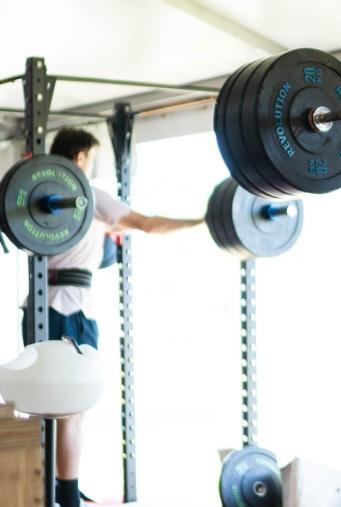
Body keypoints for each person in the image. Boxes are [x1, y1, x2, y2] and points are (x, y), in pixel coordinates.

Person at [19, 127, 203, 507]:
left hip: (40, 308)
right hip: (69, 312)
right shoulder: (88, 196)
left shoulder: (35, 197)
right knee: (70, 412)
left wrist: (107, 227)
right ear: (81, 158)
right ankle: (65, 497)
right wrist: (204, 221)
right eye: (92, 159)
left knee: (41, 407)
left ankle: (49, 490)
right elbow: (148, 224)